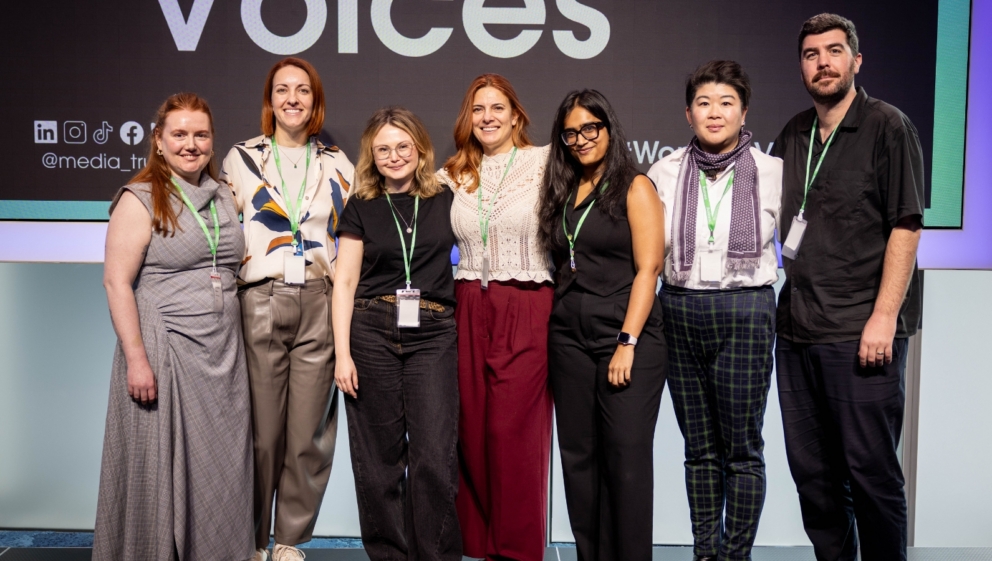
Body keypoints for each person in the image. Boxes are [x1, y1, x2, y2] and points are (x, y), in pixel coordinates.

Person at [771, 14, 924, 561]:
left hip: (861, 329)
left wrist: (884, 317)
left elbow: (905, 226)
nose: (823, 63)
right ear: (802, 67)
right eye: (812, 54)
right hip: (795, 333)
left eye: (834, 51)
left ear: (856, 61)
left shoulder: (888, 126)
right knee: (813, 477)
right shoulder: (792, 133)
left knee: (871, 473)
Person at [94, 92, 253, 561]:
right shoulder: (139, 197)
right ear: (158, 141)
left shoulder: (224, 193)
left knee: (222, 471)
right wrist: (137, 360)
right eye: (179, 134)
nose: (191, 144)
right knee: (157, 472)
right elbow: (116, 282)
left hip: (223, 353)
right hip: (164, 351)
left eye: (200, 135)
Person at [220, 57, 354, 561]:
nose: (292, 99)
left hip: (320, 300)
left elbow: (349, 241)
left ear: (315, 101)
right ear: (269, 100)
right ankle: (250, 538)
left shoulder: (341, 162)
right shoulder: (241, 157)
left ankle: (290, 542)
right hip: (259, 297)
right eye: (282, 90)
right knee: (260, 432)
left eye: (302, 90)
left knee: (309, 434)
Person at [647, 61, 782, 561]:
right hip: (679, 309)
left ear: (743, 111)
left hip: (745, 309)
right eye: (704, 103)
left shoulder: (772, 172)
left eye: (726, 102)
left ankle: (736, 554)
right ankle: (706, 551)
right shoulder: (664, 171)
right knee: (699, 448)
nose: (714, 112)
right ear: (688, 114)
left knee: (742, 449)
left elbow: (803, 242)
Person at [537, 89, 668, 561]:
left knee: (626, 462)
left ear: (609, 129)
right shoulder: (563, 190)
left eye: (590, 128)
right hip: (569, 338)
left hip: (625, 337)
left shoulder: (635, 186)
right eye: (571, 132)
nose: (581, 139)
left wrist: (627, 342)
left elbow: (649, 270)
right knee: (579, 459)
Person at [332, 107, 461, 561]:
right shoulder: (361, 205)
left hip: (434, 332)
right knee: (379, 462)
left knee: (433, 456)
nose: (393, 156)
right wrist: (342, 354)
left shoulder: (447, 197)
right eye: (383, 149)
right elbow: (344, 282)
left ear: (420, 149)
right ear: (372, 155)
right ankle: (389, 556)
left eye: (402, 146)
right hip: (370, 331)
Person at [436, 73, 553, 561]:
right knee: (473, 425)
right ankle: (479, 543)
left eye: (497, 107)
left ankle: (517, 549)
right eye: (478, 109)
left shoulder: (545, 161)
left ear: (516, 114)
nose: (488, 117)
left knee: (513, 431)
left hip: (526, 300)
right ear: (468, 118)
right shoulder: (451, 174)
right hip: (467, 304)